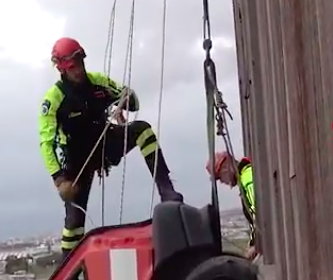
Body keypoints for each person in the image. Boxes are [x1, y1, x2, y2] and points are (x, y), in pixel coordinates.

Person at [39, 37, 184, 259]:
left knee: (142, 130)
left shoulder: (98, 82)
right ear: (62, 69)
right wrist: (59, 179)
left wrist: (125, 99)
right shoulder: (54, 99)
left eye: (79, 64)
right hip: (76, 161)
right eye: (71, 68)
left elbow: (132, 100)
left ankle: (166, 190)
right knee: (74, 225)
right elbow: (46, 143)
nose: (77, 71)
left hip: (104, 145)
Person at [206, 151, 259, 260]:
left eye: (219, 177)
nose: (221, 181)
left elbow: (258, 214)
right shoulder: (245, 175)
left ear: (225, 168)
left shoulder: (247, 178)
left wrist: (256, 245)